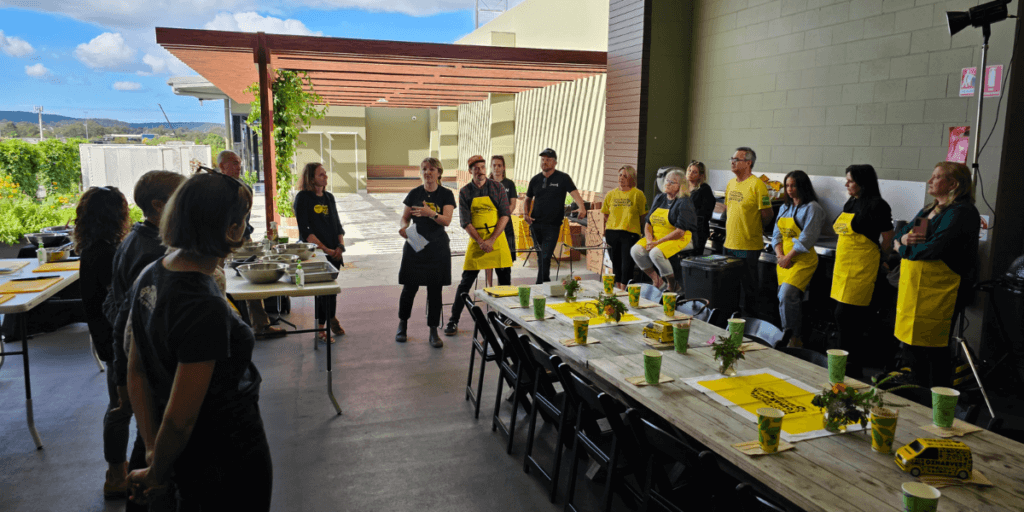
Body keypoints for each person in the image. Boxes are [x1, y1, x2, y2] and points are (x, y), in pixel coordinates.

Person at [125, 173, 272, 510]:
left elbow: (137, 371)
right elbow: (181, 419)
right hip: (220, 452)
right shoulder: (202, 304)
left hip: (170, 445)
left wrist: (150, 449)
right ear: (230, 229)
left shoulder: (153, 272)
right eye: (244, 220)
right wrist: (158, 473)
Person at [105, 170, 186, 512]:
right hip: (153, 375)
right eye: (181, 197)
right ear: (158, 206)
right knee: (152, 445)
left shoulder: (137, 239)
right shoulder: (151, 251)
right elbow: (133, 324)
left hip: (143, 370)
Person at [893, 162, 980, 387]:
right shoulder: (930, 209)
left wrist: (901, 248)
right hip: (915, 289)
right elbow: (904, 232)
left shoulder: (961, 212)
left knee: (932, 348)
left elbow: (934, 248)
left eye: (937, 177)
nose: (930, 181)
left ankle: (934, 396)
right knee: (912, 345)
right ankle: (916, 387)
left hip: (942, 291)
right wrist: (902, 239)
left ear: (953, 184)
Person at [74, 186, 131, 499]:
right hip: (114, 341)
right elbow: (116, 304)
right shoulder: (106, 253)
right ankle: (116, 475)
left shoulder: (94, 248)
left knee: (119, 406)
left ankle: (117, 471)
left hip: (106, 339)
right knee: (121, 407)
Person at [831, 164, 894, 378]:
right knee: (843, 320)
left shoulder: (878, 205)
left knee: (848, 320)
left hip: (862, 269)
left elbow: (887, 237)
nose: (846, 184)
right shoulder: (851, 201)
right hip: (843, 268)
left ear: (863, 182)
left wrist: (883, 260)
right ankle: (842, 369)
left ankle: (851, 371)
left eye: (850, 180)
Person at [217, 150, 285, 338]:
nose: (238, 166)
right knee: (216, 280)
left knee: (253, 278)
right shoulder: (214, 188)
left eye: (239, 163)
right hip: (220, 242)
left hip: (244, 239)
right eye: (234, 163)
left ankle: (261, 325)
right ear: (222, 166)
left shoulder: (243, 187)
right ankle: (222, 328)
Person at [444, 155, 512, 337]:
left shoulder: (497, 188)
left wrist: (491, 240)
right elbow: (465, 221)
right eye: (476, 168)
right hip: (477, 242)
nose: (480, 171)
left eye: (483, 167)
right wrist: (481, 241)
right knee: (465, 282)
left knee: (505, 281)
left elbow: (505, 215)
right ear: (470, 172)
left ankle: (507, 318)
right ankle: (453, 320)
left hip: (497, 241)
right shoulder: (465, 192)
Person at [396, 157, 456, 347]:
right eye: (424, 169)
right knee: (409, 288)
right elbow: (404, 218)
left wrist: (431, 213)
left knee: (435, 290)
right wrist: (403, 228)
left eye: (431, 169)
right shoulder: (414, 193)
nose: (427, 173)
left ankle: (433, 330)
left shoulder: (446, 194)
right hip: (415, 245)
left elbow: (446, 220)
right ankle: (402, 324)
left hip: (437, 248)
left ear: (439, 172)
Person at [771, 171, 825, 349]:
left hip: (802, 261)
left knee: (786, 295)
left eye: (793, 185)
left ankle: (794, 338)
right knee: (784, 299)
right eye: (787, 186)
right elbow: (776, 235)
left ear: (803, 186)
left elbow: (807, 239)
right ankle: (788, 336)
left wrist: (788, 257)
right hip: (784, 261)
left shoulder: (813, 208)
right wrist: (780, 255)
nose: (790, 189)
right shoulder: (784, 208)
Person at [294, 162, 346, 343]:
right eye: (321, 175)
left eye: (325, 174)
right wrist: (326, 250)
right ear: (311, 178)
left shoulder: (329, 197)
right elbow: (306, 232)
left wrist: (340, 246)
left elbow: (337, 224)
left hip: (334, 251)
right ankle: (321, 329)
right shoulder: (303, 198)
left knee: (331, 291)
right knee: (322, 292)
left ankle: (331, 318)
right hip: (317, 252)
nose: (325, 177)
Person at [523, 148, 587, 284]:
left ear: (555, 162)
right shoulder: (535, 179)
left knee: (545, 256)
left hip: (552, 226)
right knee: (541, 257)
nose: (544, 162)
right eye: (543, 160)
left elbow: (575, 194)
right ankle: (545, 285)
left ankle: (539, 286)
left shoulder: (563, 178)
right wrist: (525, 214)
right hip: (536, 225)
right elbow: (527, 199)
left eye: (548, 160)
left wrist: (581, 207)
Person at [629, 169, 697, 292]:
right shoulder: (660, 198)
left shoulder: (684, 202)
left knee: (655, 253)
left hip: (679, 237)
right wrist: (649, 239)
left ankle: (672, 284)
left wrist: (657, 243)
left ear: (680, 186)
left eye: (672, 182)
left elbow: (680, 231)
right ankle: (657, 280)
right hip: (656, 237)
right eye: (667, 180)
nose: (667, 184)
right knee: (636, 251)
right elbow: (648, 222)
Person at [724, 147, 773, 317]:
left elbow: (767, 214)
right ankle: (731, 318)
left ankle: (750, 321)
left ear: (748, 163)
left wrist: (754, 227)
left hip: (747, 246)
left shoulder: (758, 185)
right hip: (729, 243)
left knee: (748, 287)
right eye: (732, 158)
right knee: (730, 286)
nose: (732, 161)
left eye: (736, 159)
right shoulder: (731, 184)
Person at [601, 165, 647, 289]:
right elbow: (606, 214)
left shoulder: (638, 194)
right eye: (620, 175)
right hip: (612, 232)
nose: (621, 178)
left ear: (632, 178)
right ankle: (618, 289)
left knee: (627, 264)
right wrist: (615, 223)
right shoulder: (611, 194)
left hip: (629, 233)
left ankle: (624, 290)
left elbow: (643, 216)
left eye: (625, 176)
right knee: (615, 263)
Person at [486, 155, 517, 288]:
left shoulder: (509, 184)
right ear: (491, 167)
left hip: (506, 228)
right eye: (494, 165)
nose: (497, 168)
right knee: (489, 261)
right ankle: (490, 287)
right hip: (489, 227)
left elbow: (512, 205)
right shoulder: (485, 184)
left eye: (500, 165)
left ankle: (505, 290)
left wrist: (502, 219)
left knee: (505, 264)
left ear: (504, 167)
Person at [687, 160, 715, 256]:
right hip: (682, 229)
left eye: (694, 172)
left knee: (693, 258)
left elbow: (705, 213)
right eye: (689, 170)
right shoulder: (683, 188)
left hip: (697, 232)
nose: (690, 173)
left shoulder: (704, 189)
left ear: (700, 175)